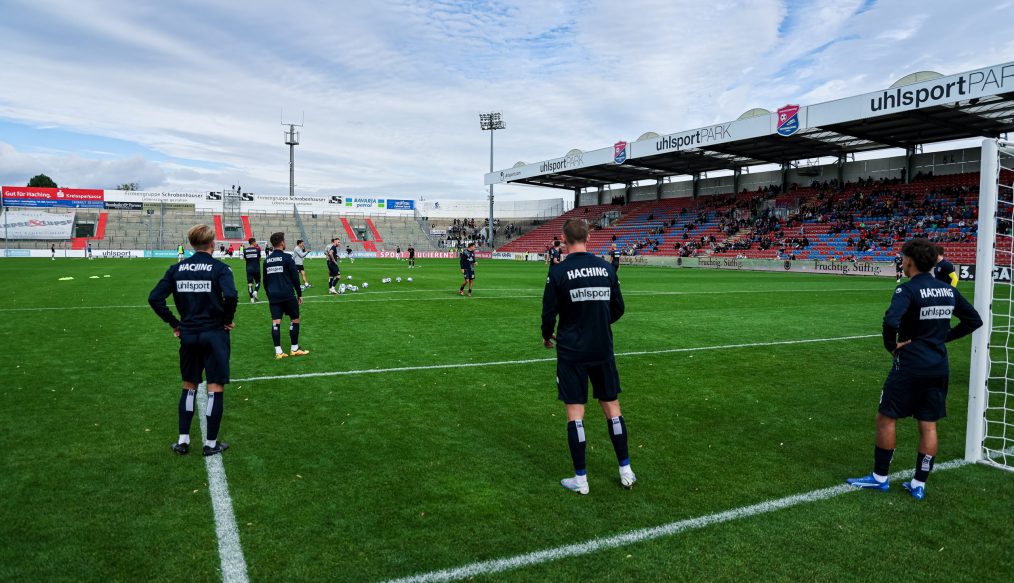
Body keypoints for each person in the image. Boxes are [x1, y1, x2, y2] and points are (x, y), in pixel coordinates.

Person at [847, 238, 981, 499]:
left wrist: (891, 345)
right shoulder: (947, 290)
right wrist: (945, 338)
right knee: (928, 425)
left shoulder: (907, 290)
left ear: (909, 261)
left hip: (910, 365)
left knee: (886, 418)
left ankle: (879, 477)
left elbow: (890, 320)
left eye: (903, 257)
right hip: (938, 365)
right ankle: (919, 483)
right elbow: (973, 320)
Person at [542, 219, 634, 495]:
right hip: (601, 347)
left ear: (563, 238)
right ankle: (626, 471)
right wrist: (599, 322)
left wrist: (548, 335)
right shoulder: (606, 268)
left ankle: (581, 480)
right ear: (589, 239)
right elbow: (618, 308)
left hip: (572, 350)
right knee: (612, 406)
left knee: (575, 412)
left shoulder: (558, 272)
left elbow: (548, 313)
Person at [148, 224, 238, 457]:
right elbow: (231, 295)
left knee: (189, 386)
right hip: (214, 334)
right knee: (214, 386)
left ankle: (183, 440)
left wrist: (175, 324)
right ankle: (210, 444)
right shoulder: (221, 268)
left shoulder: (177, 269)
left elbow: (155, 298)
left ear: (191, 244)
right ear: (213, 243)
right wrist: (227, 319)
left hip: (189, 335)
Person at [263, 232, 310, 359]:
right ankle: (294, 348)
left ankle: (278, 352)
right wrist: (299, 294)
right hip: (288, 295)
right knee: (295, 319)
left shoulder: (267, 260)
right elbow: (295, 278)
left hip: (273, 296)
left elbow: (265, 281)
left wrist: (270, 296)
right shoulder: (287, 258)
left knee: (276, 323)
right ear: (282, 243)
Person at [243, 238, 262, 303]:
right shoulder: (257, 249)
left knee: (250, 284)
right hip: (256, 268)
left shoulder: (245, 250)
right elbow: (259, 259)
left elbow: (245, 259)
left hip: (249, 269)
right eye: (255, 242)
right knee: (258, 282)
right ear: (253, 242)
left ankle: (252, 299)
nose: (255, 243)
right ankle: (255, 291)